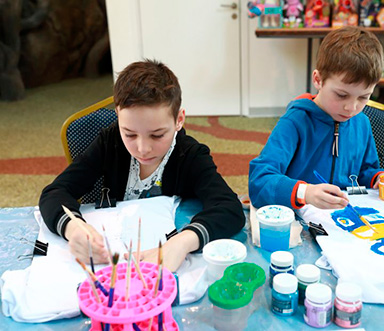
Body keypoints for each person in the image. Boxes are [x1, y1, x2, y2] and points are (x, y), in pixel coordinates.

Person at [39, 59, 245, 271]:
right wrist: (73, 227)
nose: (143, 148)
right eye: (129, 134)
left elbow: (229, 208)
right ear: (118, 116)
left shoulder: (190, 155)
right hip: (115, 259)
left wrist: (183, 242)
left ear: (179, 120)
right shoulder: (110, 142)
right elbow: (55, 192)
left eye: (157, 135)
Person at [249, 26, 384, 211]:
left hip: (344, 220)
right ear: (318, 80)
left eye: (363, 97)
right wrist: (305, 193)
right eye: (341, 95)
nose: (351, 108)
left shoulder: (362, 122)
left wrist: (380, 178)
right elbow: (259, 180)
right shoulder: (295, 122)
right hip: (303, 221)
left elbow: (364, 172)